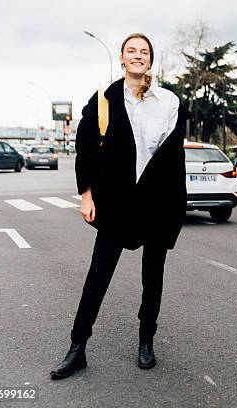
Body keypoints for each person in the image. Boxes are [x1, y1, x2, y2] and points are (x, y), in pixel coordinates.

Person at [50, 33, 188, 379]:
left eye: (144, 52)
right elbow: (86, 148)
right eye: (132, 51)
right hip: (116, 203)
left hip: (157, 203)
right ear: (122, 60)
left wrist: (176, 206)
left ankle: (146, 342)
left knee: (152, 278)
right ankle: (77, 348)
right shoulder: (104, 100)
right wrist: (86, 195)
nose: (138, 56)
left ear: (150, 61)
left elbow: (174, 160)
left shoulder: (169, 102)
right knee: (97, 277)